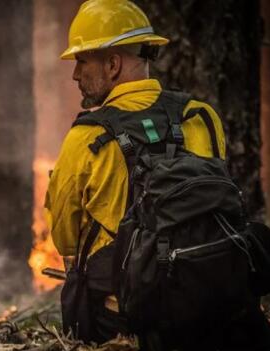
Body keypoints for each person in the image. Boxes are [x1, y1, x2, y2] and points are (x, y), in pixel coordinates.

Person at [45, 0, 270, 349]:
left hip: (129, 317)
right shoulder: (200, 116)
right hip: (216, 301)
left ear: (113, 64)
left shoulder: (86, 138)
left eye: (82, 61)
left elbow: (66, 241)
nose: (75, 75)